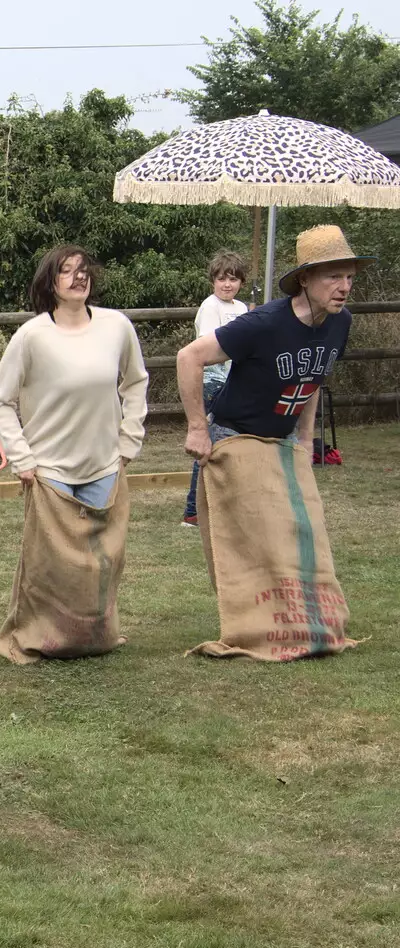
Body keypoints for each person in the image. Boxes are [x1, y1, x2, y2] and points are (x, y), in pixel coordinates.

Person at [174, 225, 369, 660]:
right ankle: (254, 624)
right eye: (333, 277)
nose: (344, 287)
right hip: (236, 438)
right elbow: (190, 357)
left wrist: (304, 436)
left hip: (281, 442)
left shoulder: (342, 323)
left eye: (349, 277)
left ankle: (293, 620)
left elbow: (313, 376)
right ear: (305, 279)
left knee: (292, 530)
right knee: (247, 539)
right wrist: (196, 428)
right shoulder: (263, 323)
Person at [0, 246, 149, 663]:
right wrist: (22, 459)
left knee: (101, 562)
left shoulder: (116, 327)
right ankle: (43, 637)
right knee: (51, 567)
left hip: (103, 466)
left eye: (83, 270)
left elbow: (135, 383)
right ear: (50, 283)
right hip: (50, 471)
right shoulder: (33, 335)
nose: (78, 277)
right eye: (67, 271)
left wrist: (129, 442)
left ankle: (94, 636)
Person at [181, 251, 250, 527]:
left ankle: (226, 503)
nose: (227, 285)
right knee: (211, 443)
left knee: (231, 443)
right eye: (222, 279)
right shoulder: (211, 307)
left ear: (241, 282)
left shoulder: (242, 308)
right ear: (213, 281)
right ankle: (193, 510)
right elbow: (208, 348)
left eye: (233, 279)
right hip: (213, 382)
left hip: (236, 381)